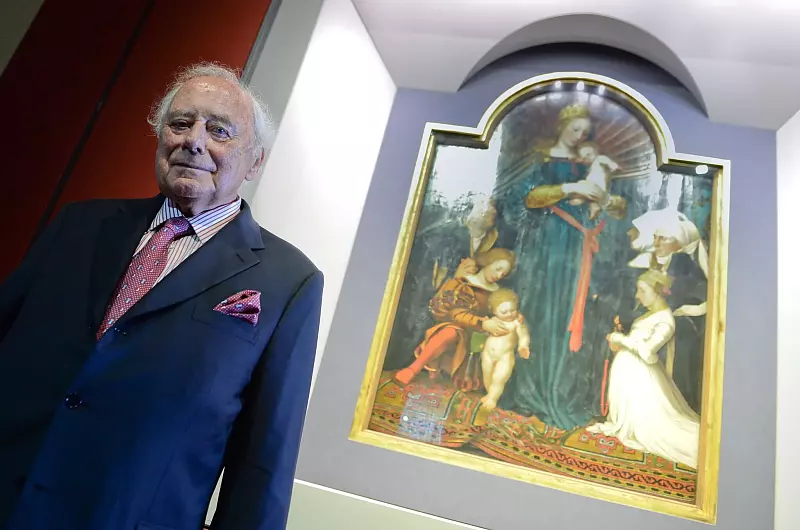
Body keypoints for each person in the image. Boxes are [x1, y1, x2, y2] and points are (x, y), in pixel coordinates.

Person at [0, 63, 323, 530]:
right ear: (159, 138)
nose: (194, 140)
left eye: (219, 130)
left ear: (255, 162)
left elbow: (263, 464)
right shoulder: (78, 225)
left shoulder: (289, 282)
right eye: (181, 123)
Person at [496, 104, 626, 429]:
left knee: (570, 314)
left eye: (585, 132)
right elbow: (528, 198)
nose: (579, 135)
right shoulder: (540, 161)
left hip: (578, 249)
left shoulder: (589, 164)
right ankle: (531, 390)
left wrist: (604, 201)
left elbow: (618, 207)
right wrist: (570, 189)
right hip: (546, 247)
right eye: (575, 128)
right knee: (542, 312)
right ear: (562, 126)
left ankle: (561, 390)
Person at [587, 270, 700, 469]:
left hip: (641, 377)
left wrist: (620, 339)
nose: (638, 296)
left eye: (642, 290)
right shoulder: (651, 314)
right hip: (630, 372)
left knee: (661, 430)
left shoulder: (665, 320)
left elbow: (647, 352)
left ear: (657, 291)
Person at [393, 248, 516, 390]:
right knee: (451, 331)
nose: (499, 275)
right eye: (498, 269)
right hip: (457, 331)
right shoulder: (463, 283)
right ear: (488, 262)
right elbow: (455, 315)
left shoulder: (498, 293)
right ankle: (413, 369)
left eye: (503, 274)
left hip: (477, 339)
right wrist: (482, 323)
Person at [479, 288, 530, 410]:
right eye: (504, 311)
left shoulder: (517, 323)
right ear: (494, 311)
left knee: (499, 379)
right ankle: (489, 394)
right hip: (487, 354)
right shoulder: (493, 321)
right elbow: (482, 328)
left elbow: (524, 335)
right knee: (487, 376)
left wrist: (523, 346)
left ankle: (493, 399)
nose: (509, 314)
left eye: (513, 310)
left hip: (505, 357)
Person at [570, 141, 620, 220]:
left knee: (581, 184)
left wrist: (614, 166)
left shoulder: (599, 158)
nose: (587, 158)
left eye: (589, 154)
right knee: (592, 199)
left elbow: (608, 162)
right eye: (584, 157)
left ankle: (580, 199)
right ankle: (594, 208)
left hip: (597, 186)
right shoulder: (592, 165)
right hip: (596, 188)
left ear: (597, 152)